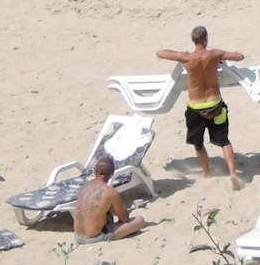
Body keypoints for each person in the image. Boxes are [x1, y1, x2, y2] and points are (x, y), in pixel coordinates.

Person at [155, 26, 245, 188]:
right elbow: (239, 56)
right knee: (224, 141)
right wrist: (221, 56)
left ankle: (206, 172)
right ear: (206, 39)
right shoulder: (214, 54)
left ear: (193, 40)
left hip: (196, 108)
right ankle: (232, 173)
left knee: (198, 143)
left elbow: (160, 53)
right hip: (215, 105)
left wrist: (178, 52)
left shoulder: (186, 58)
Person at [73, 155, 148, 243]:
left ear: (95, 171)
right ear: (112, 173)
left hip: (77, 235)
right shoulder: (110, 192)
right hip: (94, 237)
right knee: (140, 220)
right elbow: (124, 219)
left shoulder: (86, 185)